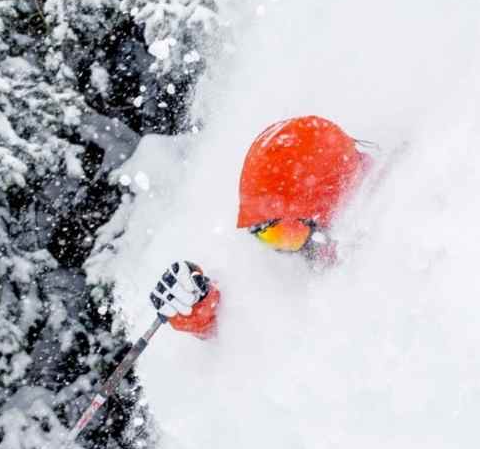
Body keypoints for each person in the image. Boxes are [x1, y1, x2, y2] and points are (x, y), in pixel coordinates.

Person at [147, 115, 371, 338]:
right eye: (268, 235)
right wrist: (198, 308)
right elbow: (247, 309)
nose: (282, 249)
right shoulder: (303, 256)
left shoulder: (388, 229)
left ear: (331, 205)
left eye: (288, 234)